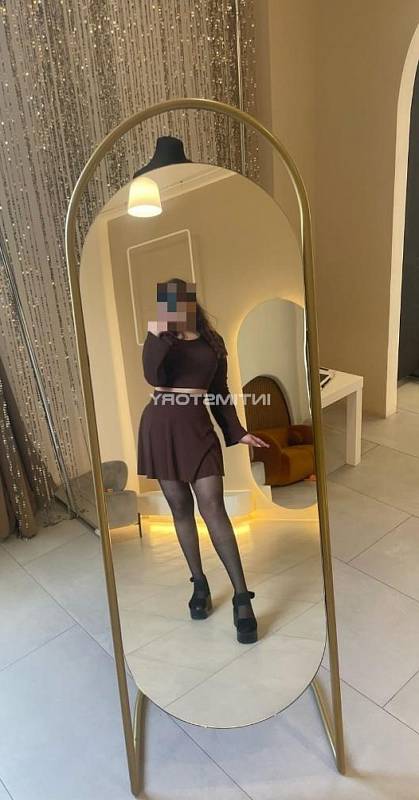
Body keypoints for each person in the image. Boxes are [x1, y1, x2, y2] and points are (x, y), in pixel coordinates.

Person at [137, 278, 269, 643]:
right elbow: (152, 375)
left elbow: (219, 392)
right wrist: (158, 333)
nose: (174, 308)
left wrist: (238, 431)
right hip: (160, 427)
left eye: (179, 301)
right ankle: (199, 583)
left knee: (213, 508)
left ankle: (241, 597)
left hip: (197, 429)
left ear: (191, 302)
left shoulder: (212, 342)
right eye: (167, 303)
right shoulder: (161, 338)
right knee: (180, 508)